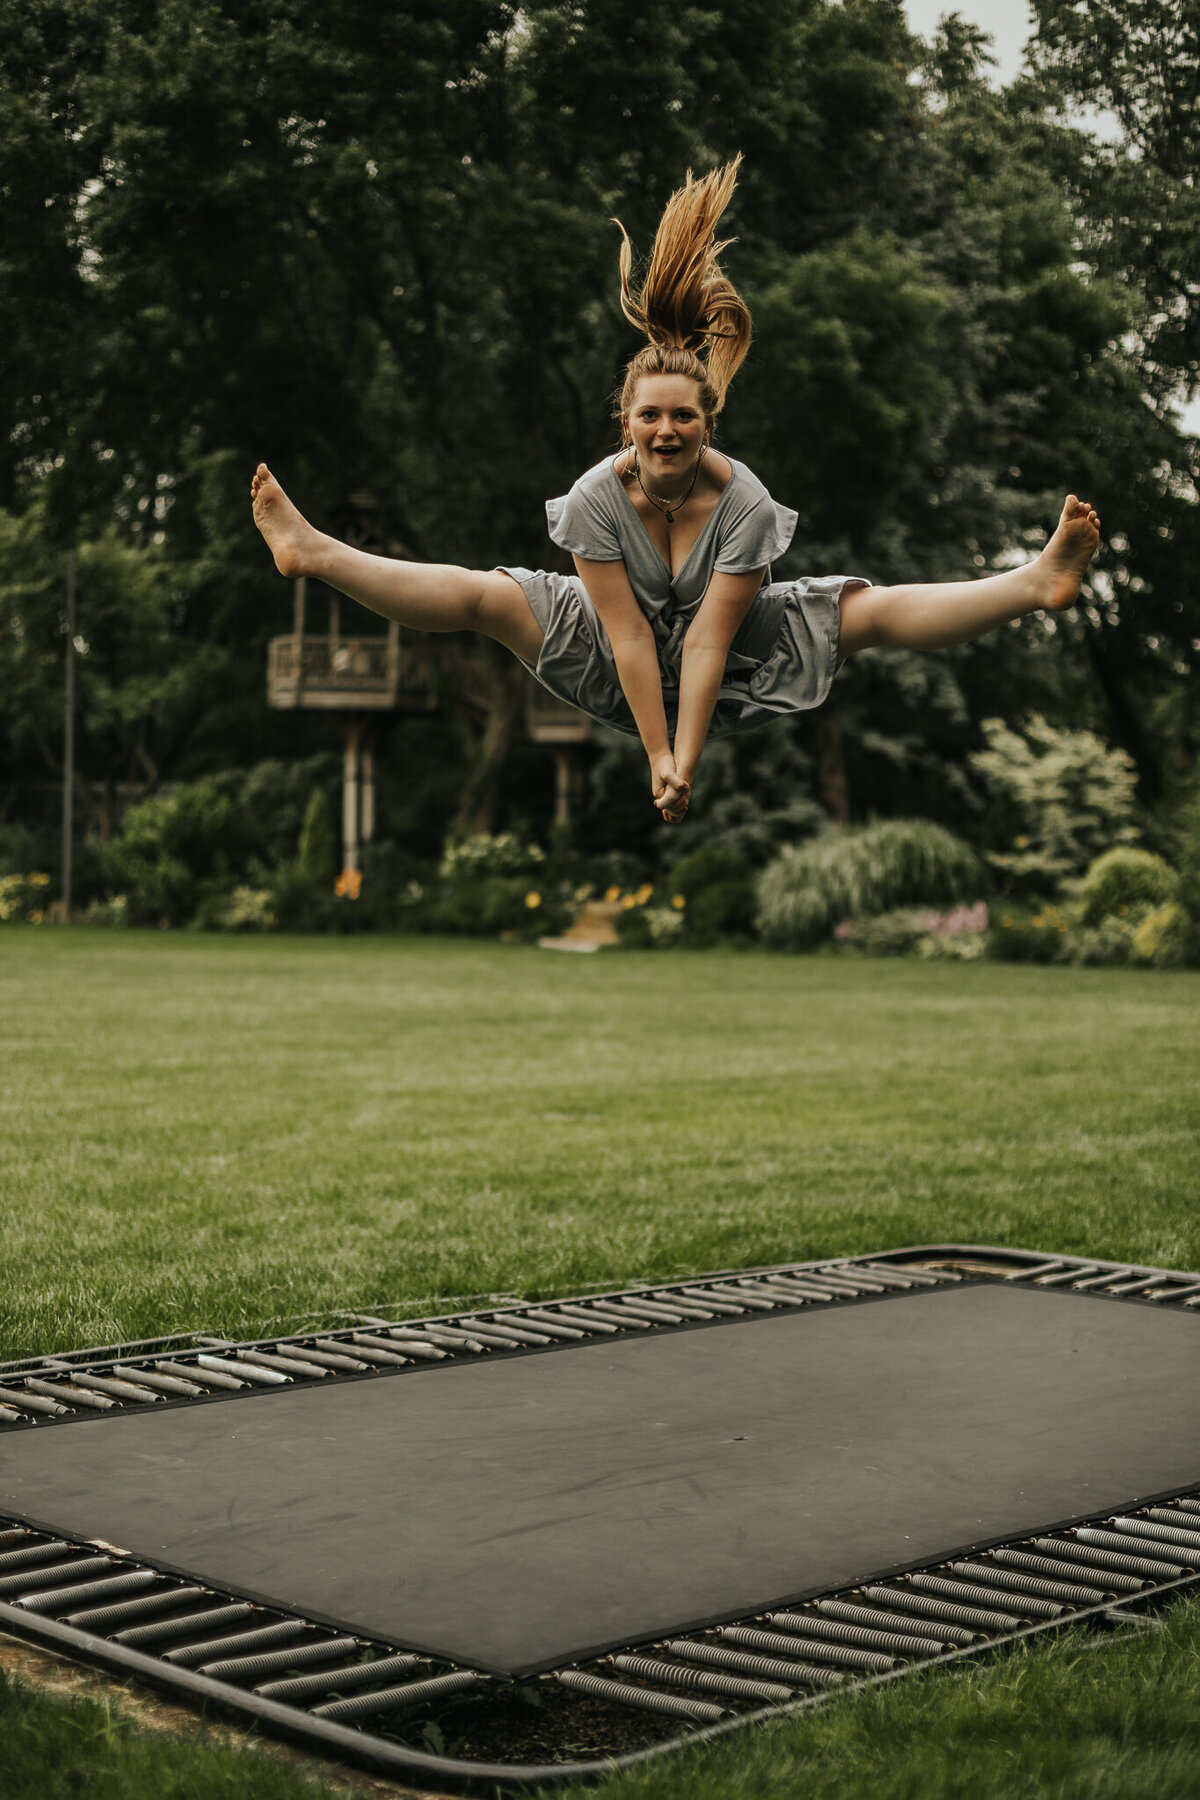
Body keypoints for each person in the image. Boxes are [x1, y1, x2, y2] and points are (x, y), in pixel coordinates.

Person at [251, 158, 1100, 825]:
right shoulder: (592, 500)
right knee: (486, 597)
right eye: (649, 416)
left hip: (734, 660)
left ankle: (1033, 583)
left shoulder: (747, 506)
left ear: (708, 422)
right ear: (625, 421)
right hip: (614, 662)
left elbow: (704, 645)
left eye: (683, 418)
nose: (666, 431)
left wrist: (682, 763)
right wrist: (654, 755)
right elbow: (625, 637)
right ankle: (315, 551)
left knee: (863, 613)